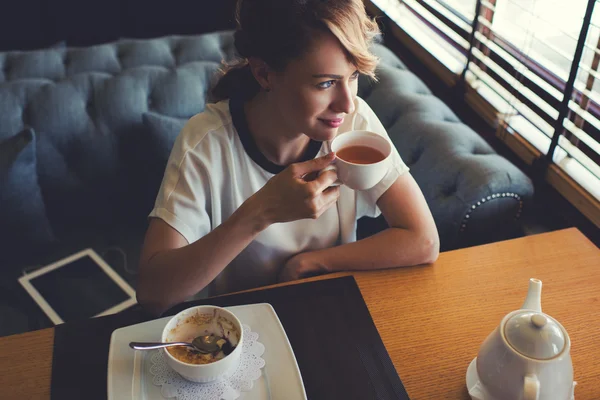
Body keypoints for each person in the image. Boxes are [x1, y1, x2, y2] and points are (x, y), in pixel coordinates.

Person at [137, 0, 439, 316]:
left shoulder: (354, 123)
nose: (347, 103)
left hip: (327, 312)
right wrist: (260, 212)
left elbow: (423, 240)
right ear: (265, 74)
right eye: (325, 83)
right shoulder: (205, 145)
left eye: (353, 76)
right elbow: (153, 293)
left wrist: (312, 262)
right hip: (240, 327)